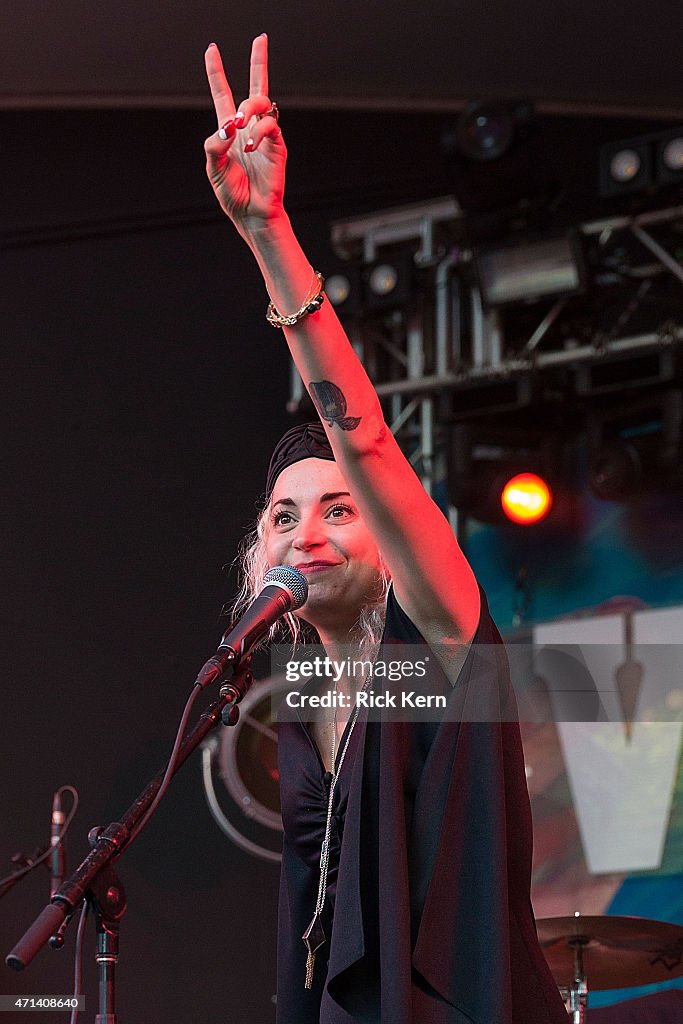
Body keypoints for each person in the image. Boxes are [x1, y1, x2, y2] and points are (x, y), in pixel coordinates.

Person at [203, 35, 569, 1024]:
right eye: (283, 516)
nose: (304, 532)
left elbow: (359, 433)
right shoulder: (303, 700)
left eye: (338, 508)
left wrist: (268, 234)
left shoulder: (440, 635)